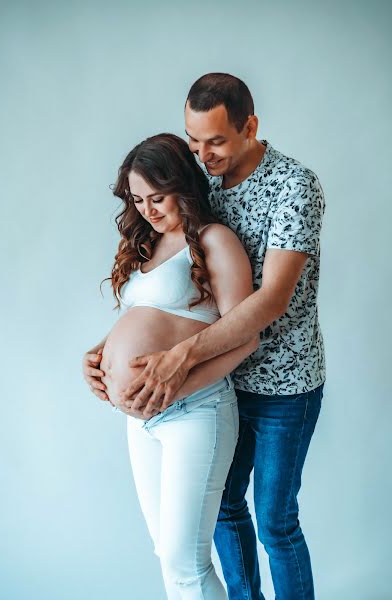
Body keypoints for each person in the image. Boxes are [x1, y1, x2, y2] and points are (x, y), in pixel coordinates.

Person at [86, 73, 326, 599]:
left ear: (250, 126)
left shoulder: (294, 187)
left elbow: (270, 302)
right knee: (222, 513)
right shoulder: (200, 183)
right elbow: (173, 297)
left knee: (275, 521)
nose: (203, 154)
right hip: (219, 381)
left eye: (215, 141)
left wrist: (178, 358)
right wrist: (111, 353)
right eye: (194, 141)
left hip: (284, 377)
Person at [83, 132, 259, 599]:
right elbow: (152, 319)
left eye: (157, 198)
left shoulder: (214, 240)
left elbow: (245, 336)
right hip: (143, 421)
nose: (147, 210)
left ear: (184, 185)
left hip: (194, 410)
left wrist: (176, 388)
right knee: (167, 553)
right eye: (137, 200)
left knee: (186, 564)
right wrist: (102, 359)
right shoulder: (147, 244)